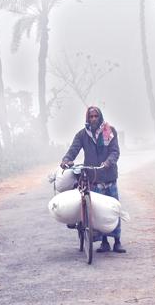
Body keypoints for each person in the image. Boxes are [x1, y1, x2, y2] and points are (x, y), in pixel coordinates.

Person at [60, 105, 125, 253]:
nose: (94, 119)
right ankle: (104, 242)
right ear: (87, 118)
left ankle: (117, 241)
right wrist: (66, 159)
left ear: (100, 117)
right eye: (91, 117)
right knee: (99, 212)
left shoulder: (110, 131)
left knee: (113, 209)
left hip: (109, 176)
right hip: (93, 177)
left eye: (96, 116)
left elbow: (115, 151)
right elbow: (73, 150)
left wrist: (109, 162)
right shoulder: (82, 135)